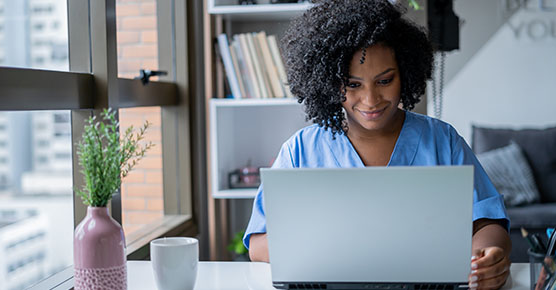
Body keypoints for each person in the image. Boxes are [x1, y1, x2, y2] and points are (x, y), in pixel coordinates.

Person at [243, 1, 511, 289]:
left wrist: (489, 256)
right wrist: (337, 251)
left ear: (405, 72)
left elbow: (488, 223)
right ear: (328, 82)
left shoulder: (442, 141)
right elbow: (258, 243)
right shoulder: (299, 151)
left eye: (385, 80)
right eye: (353, 84)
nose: (371, 100)